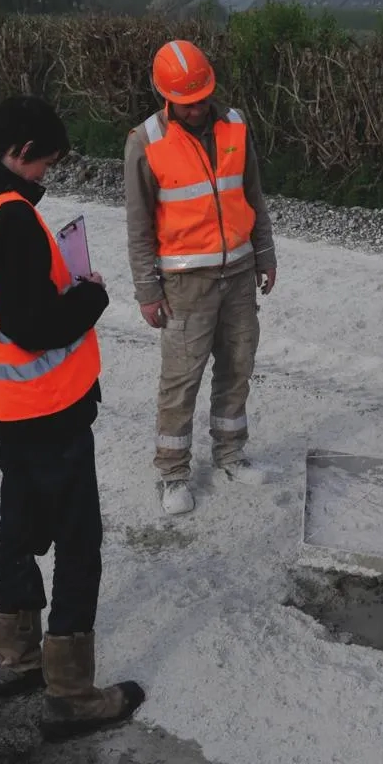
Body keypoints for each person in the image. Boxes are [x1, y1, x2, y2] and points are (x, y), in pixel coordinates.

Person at [0, 96, 144, 741]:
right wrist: (90, 298)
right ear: (20, 153)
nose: (47, 175)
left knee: (18, 528)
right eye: (46, 163)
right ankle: (72, 693)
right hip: (48, 406)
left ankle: (15, 658)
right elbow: (30, 327)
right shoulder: (10, 217)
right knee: (78, 542)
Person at [124, 39, 277, 515]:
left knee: (237, 366)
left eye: (201, 99)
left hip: (238, 273)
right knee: (181, 380)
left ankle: (231, 454)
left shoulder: (236, 125)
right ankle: (172, 473)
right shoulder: (145, 142)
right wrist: (147, 291)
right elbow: (139, 224)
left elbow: (253, 195)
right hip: (185, 284)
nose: (196, 110)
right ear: (166, 97)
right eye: (186, 103)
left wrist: (265, 255)